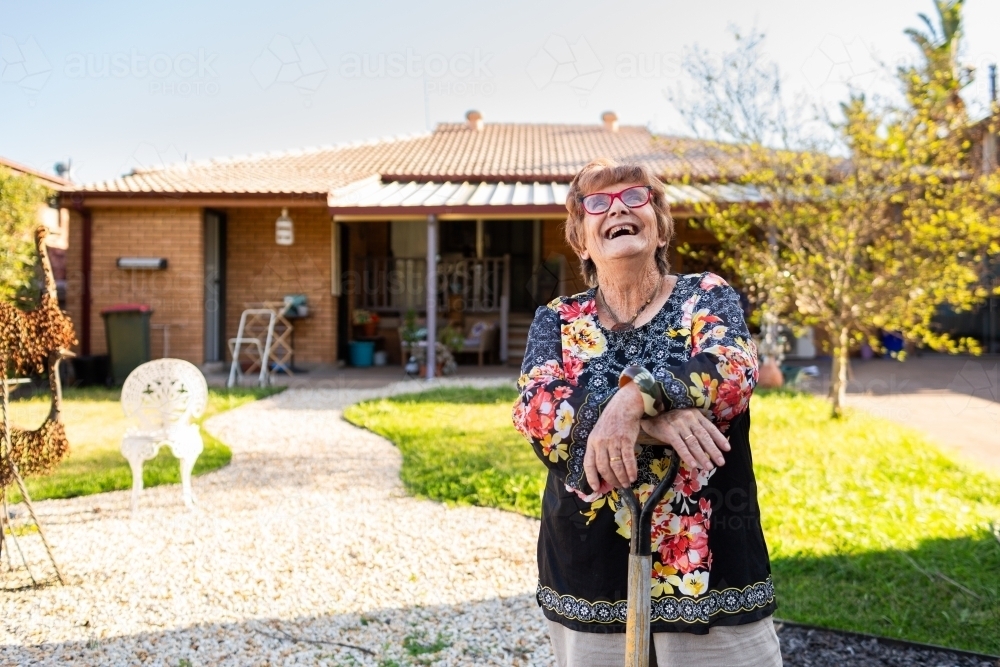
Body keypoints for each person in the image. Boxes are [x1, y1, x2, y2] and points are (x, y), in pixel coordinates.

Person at [512, 158, 781, 667]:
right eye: (597, 203)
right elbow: (539, 409)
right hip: (591, 568)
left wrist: (631, 400)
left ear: (659, 227)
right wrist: (656, 420)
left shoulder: (705, 296)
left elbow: (730, 370)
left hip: (710, 567)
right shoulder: (558, 320)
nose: (617, 208)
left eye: (634, 197)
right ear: (581, 242)